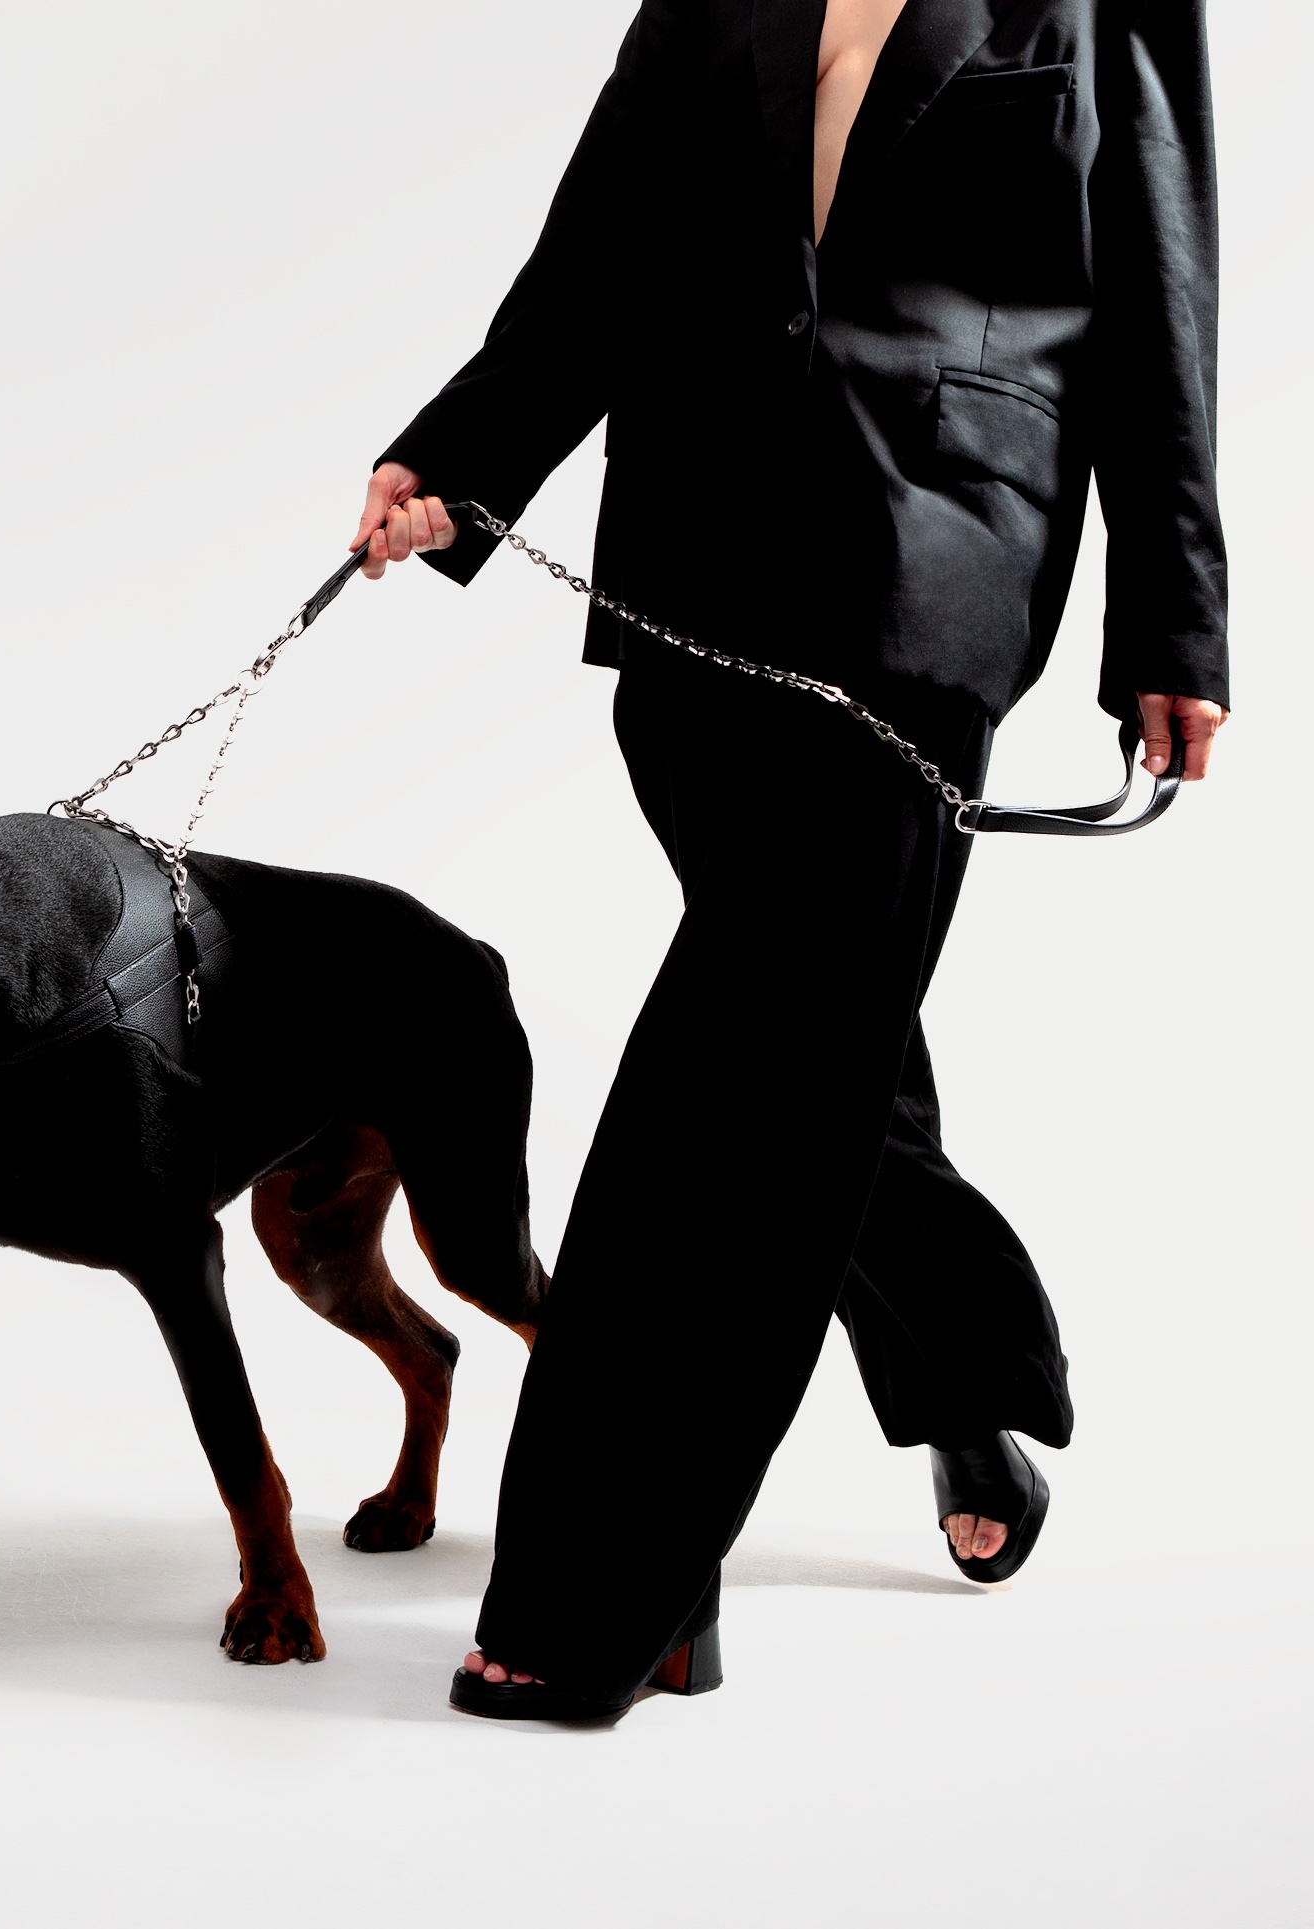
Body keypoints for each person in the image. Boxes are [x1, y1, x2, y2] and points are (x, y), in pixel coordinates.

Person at [352, 0, 1228, 1719]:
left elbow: (1154, 281)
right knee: (816, 1047)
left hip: (934, 559)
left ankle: (608, 1585)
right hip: (695, 570)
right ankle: (966, 1370)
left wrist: (1173, 611)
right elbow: (602, 242)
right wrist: (455, 463)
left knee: (730, 1083)